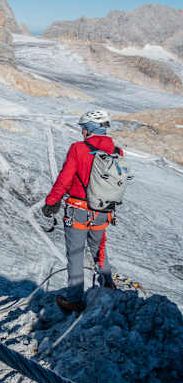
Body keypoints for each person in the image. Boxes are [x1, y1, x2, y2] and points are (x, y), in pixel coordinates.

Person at [42, 110, 122, 313]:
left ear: (89, 130)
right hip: (103, 211)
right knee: (99, 248)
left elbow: (65, 178)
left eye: (83, 129)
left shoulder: (79, 149)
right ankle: (108, 285)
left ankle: (75, 300)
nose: (82, 133)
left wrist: (52, 202)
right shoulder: (117, 151)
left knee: (76, 254)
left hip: (78, 210)